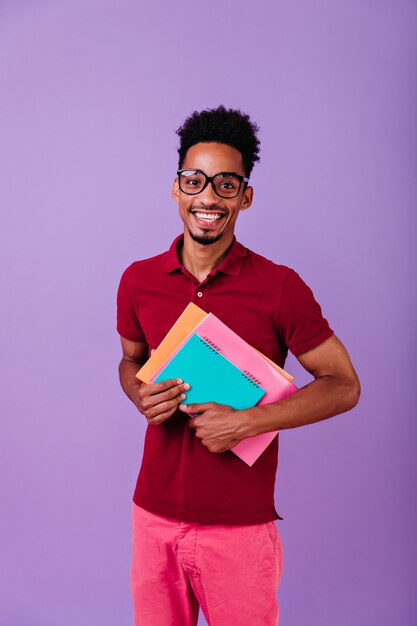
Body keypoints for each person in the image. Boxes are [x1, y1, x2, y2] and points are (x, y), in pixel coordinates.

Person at [116, 105, 360, 626]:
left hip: (240, 527)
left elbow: (343, 385)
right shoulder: (138, 280)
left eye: (226, 184)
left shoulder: (280, 287)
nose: (208, 197)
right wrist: (138, 393)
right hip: (152, 516)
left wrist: (248, 422)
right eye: (195, 180)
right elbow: (130, 361)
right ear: (176, 188)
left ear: (245, 196)